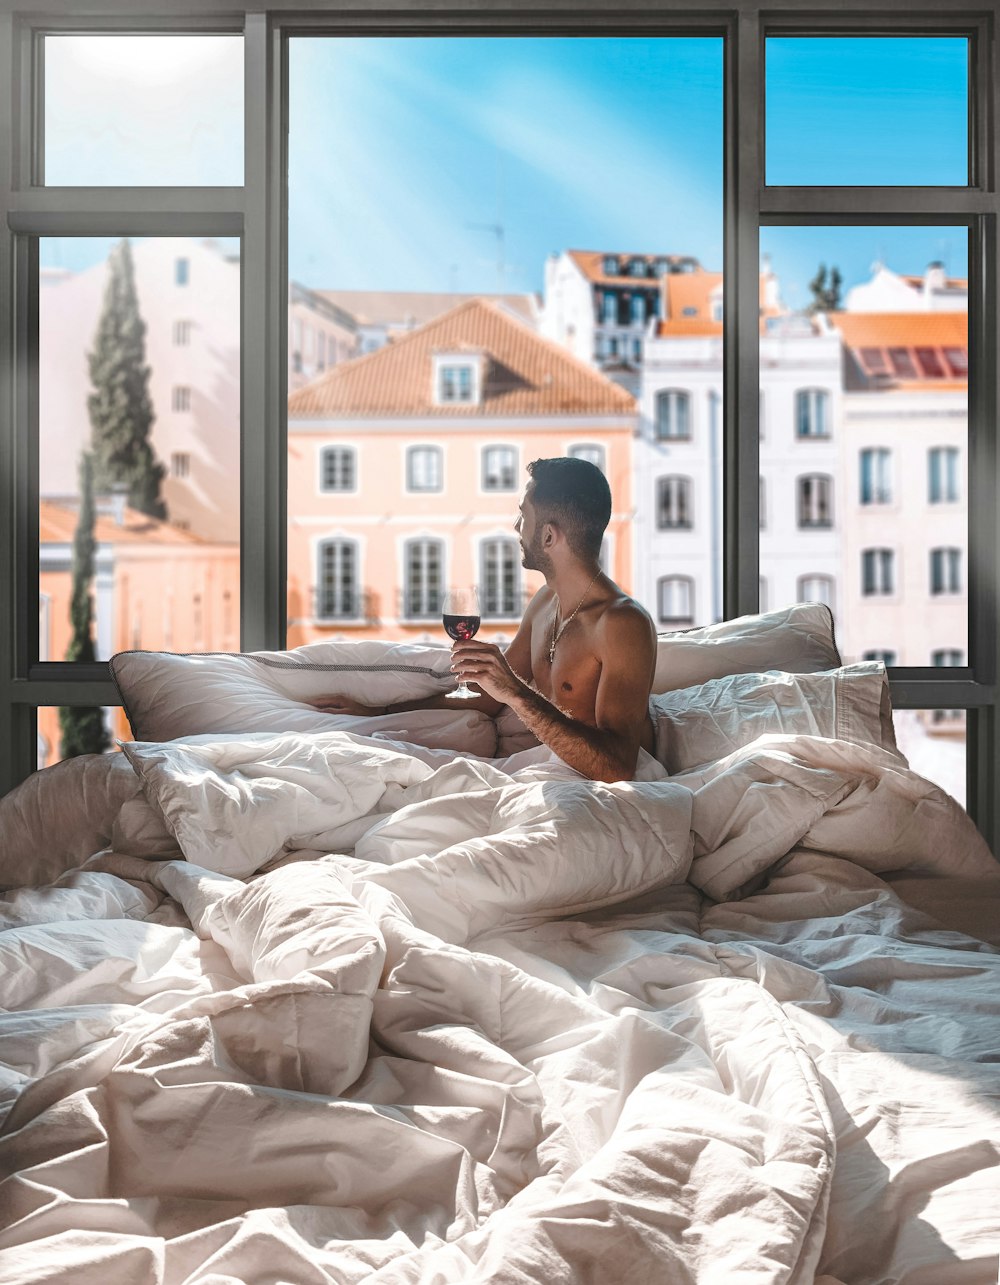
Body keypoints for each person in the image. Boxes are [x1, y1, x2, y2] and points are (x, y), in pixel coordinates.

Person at [313, 456, 658, 782]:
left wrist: (518, 695)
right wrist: (377, 712)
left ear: (549, 536)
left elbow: (618, 767)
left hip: (597, 792)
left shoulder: (621, 624)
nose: (516, 526)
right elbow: (489, 697)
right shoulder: (545, 603)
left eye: (524, 516)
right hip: (545, 771)